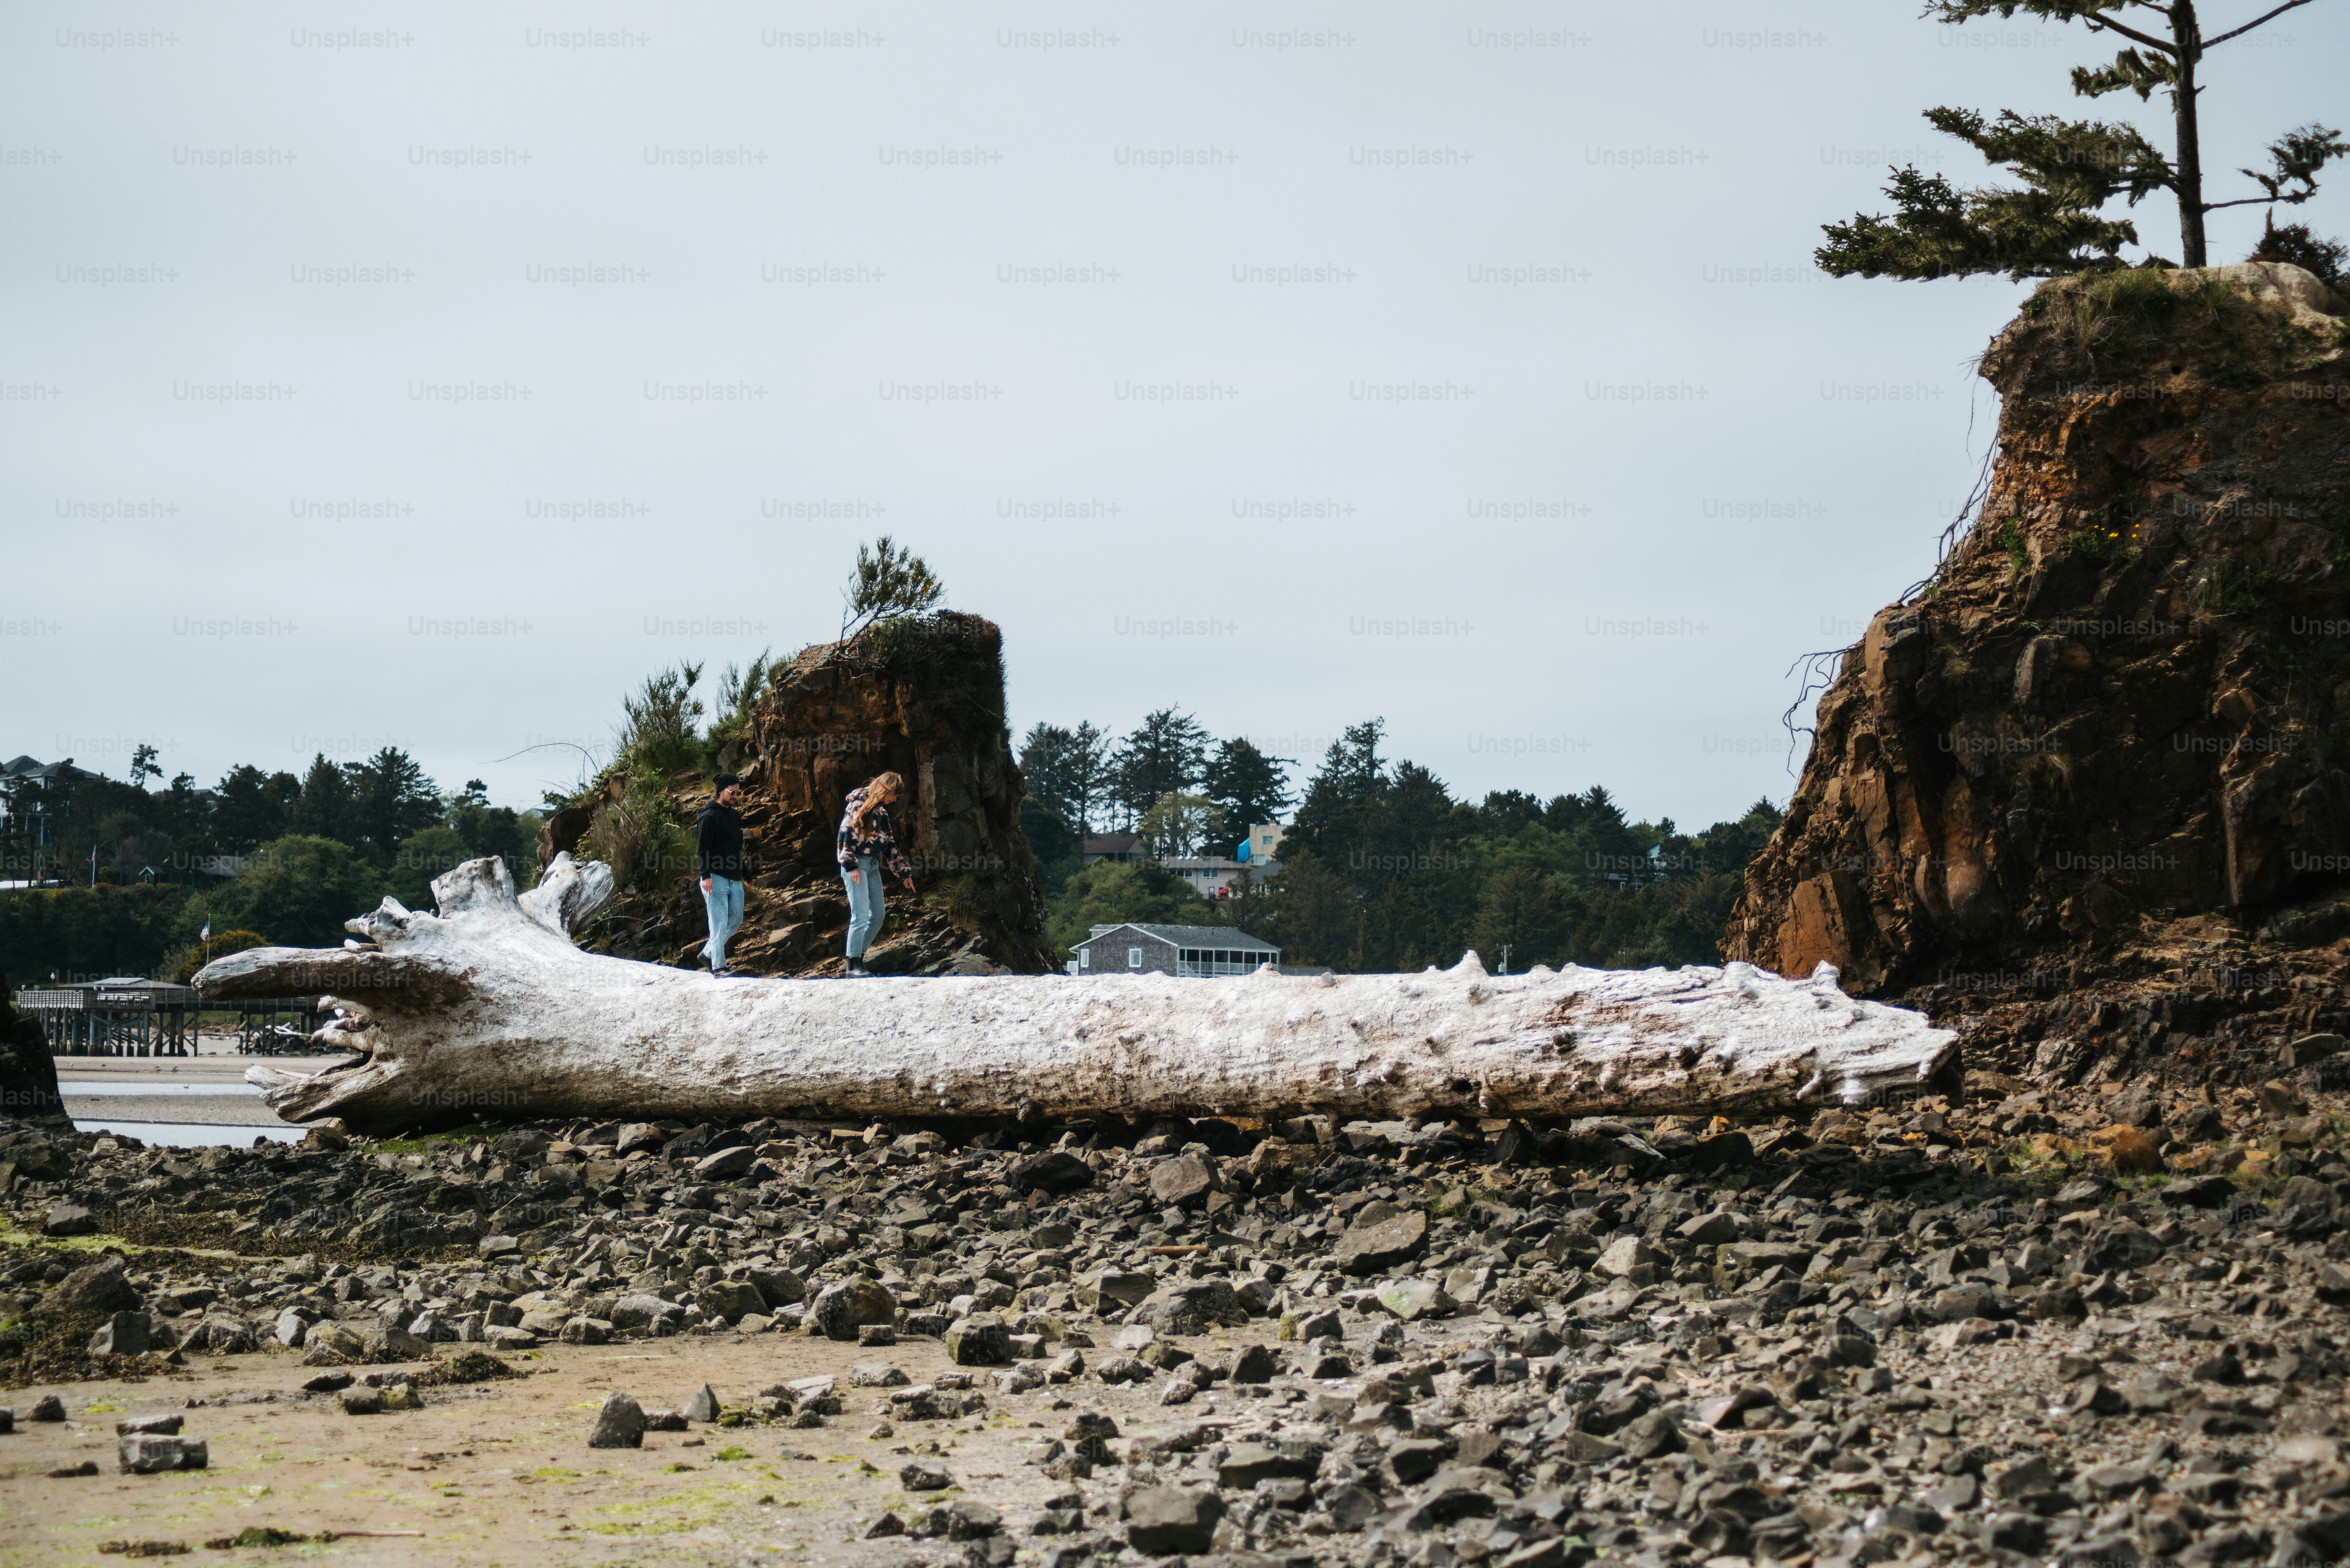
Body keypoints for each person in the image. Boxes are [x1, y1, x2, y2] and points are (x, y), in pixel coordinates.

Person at [836, 771, 915, 976]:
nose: (895, 799)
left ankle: (859, 960)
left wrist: (905, 873)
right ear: (886, 790)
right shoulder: (857, 805)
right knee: (861, 915)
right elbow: (845, 836)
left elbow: (890, 845)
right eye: (894, 794)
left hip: (872, 867)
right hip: (857, 865)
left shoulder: (882, 813)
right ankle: (852, 966)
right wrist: (851, 866)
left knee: (878, 916)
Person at [696, 773, 747, 977]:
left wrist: (747, 874)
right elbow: (702, 849)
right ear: (720, 792)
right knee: (718, 924)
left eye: (738, 793)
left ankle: (708, 953)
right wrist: (705, 875)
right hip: (714, 877)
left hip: (735, 877)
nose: (735, 796)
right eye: (732, 792)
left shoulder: (735, 816)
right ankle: (719, 967)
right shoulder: (709, 816)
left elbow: (738, 849)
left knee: (736, 920)